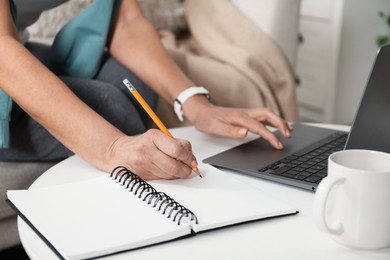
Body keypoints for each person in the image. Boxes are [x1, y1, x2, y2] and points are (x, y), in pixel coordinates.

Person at [0, 0, 293, 180]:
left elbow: (126, 21)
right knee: (109, 106)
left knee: (134, 81)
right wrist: (112, 148)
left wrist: (196, 104)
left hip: (14, 46)